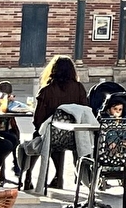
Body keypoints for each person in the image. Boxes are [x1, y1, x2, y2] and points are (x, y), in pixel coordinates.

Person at [33, 55, 88, 189]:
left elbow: (38, 119)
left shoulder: (46, 90)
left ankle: (37, 174)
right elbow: (86, 111)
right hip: (75, 136)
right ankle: (69, 175)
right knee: (54, 136)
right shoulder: (79, 88)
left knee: (43, 135)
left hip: (53, 136)